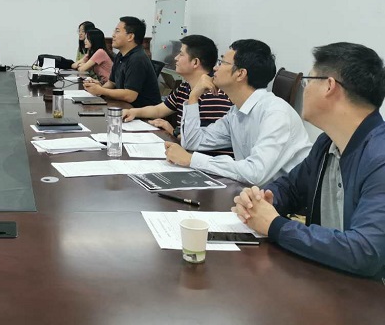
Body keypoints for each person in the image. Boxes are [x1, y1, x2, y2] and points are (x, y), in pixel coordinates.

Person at [232, 42, 385, 279]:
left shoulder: (379, 157)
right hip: (328, 277)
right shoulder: (327, 143)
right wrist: (263, 201)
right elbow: (291, 188)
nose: (305, 89)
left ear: (329, 86)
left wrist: (275, 226)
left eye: (308, 81)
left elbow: (366, 251)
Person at [164, 39, 311, 185]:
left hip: (284, 197)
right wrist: (193, 97)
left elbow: (255, 173)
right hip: (253, 192)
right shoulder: (236, 111)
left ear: (240, 74)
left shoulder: (276, 113)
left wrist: (192, 160)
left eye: (222, 63)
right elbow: (193, 142)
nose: (215, 68)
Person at [122, 34, 233, 136]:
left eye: (181, 54)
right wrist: (133, 112)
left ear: (195, 62)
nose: (176, 58)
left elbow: (204, 142)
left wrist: (173, 132)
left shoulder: (214, 95)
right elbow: (159, 110)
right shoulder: (185, 87)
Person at [83, 17, 161, 108]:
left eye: (117, 31)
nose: (113, 35)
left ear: (130, 37)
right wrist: (97, 88)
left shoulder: (137, 59)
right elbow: (111, 83)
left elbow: (130, 95)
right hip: (125, 107)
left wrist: (101, 90)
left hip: (143, 112)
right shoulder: (121, 55)